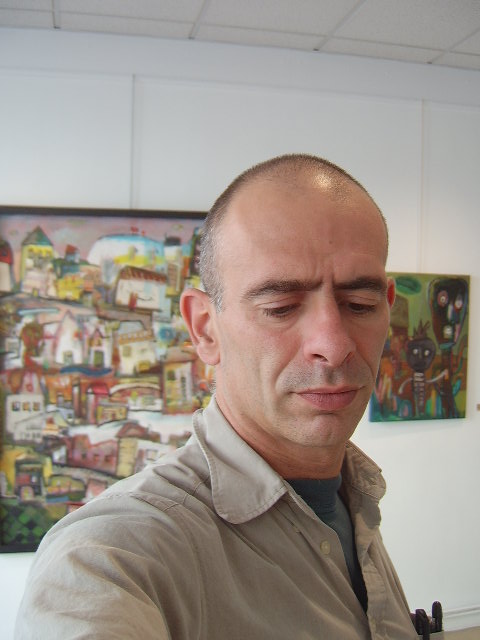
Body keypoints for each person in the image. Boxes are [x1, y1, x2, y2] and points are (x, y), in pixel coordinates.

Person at [15, 154, 417, 639]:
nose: (333, 345)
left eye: (360, 304)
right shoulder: (112, 555)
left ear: (387, 309)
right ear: (205, 329)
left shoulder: (354, 500)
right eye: (280, 307)